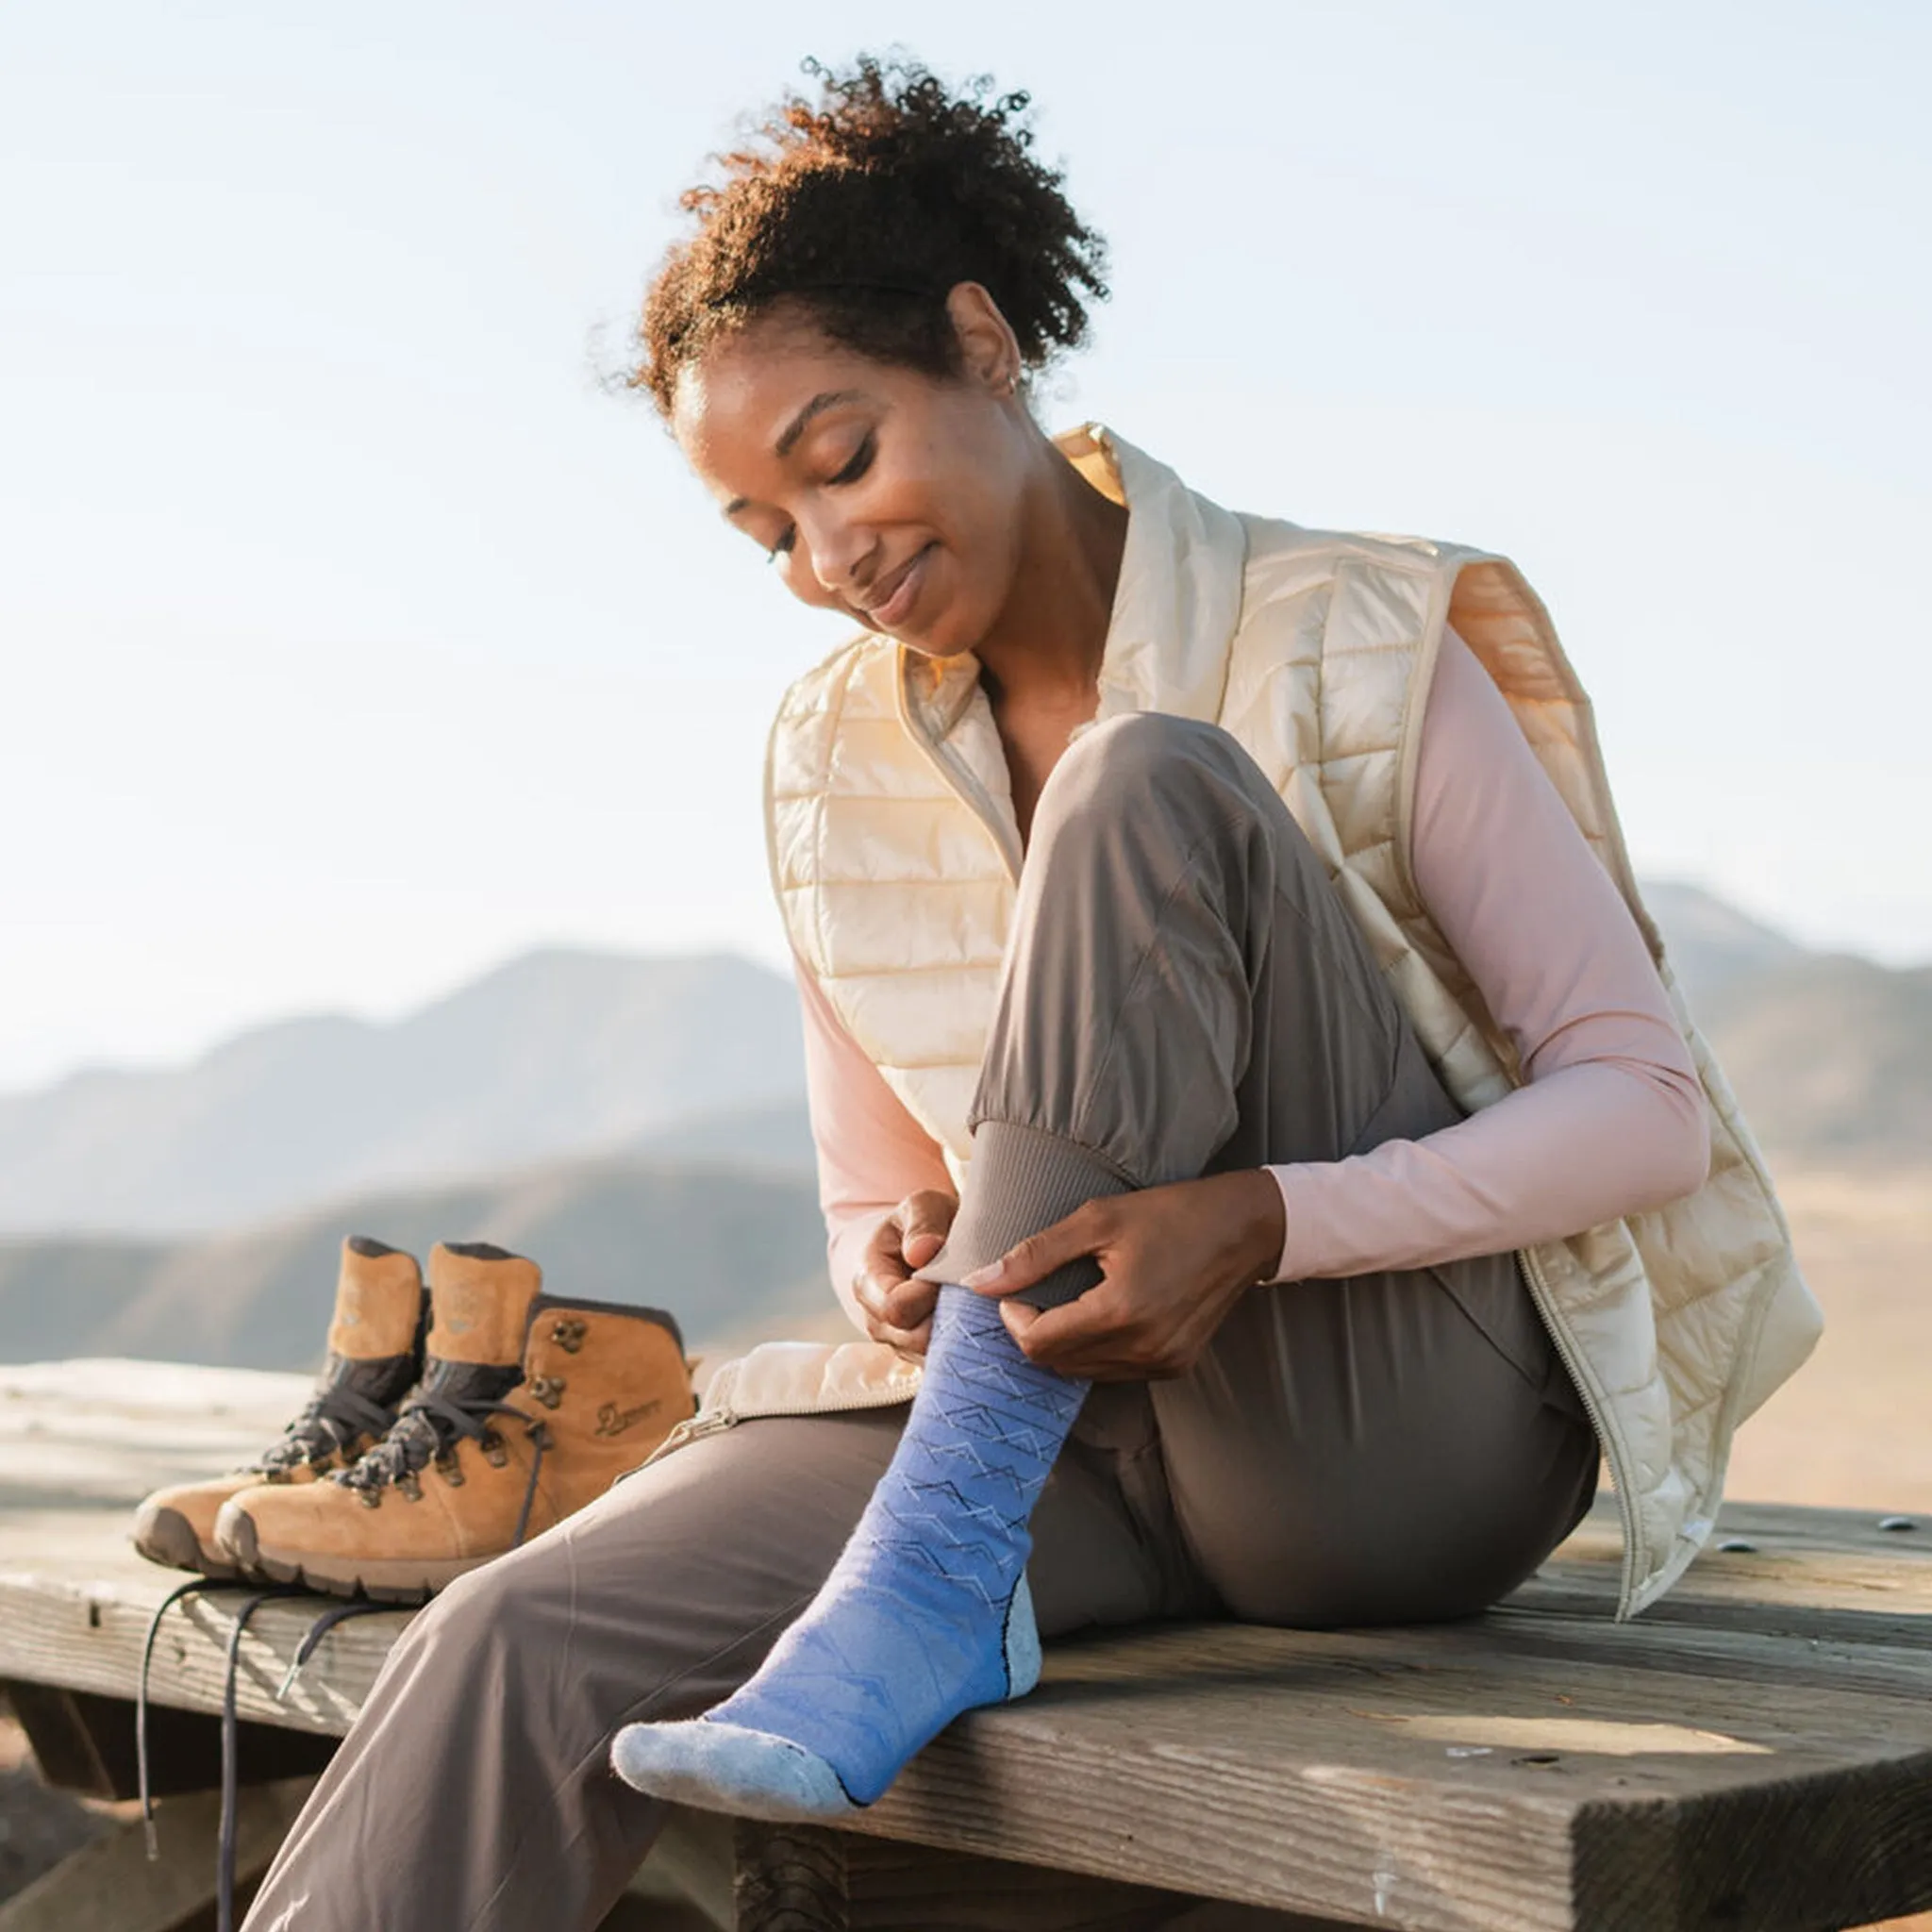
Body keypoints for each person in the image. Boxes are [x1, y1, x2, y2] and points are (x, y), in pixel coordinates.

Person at [243, 54, 1819, 1929]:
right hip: (1063, 1439)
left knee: (1144, 781)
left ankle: (929, 1561)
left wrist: (1260, 1218)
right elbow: (870, 1199)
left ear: (980, 345)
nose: (829, 556)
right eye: (767, 532)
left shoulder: (1347, 630)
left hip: (1386, 1441)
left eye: (839, 459)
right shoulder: (833, 759)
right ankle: (937, 1555)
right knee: (526, 1631)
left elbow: (1641, 1103)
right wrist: (902, 1252)